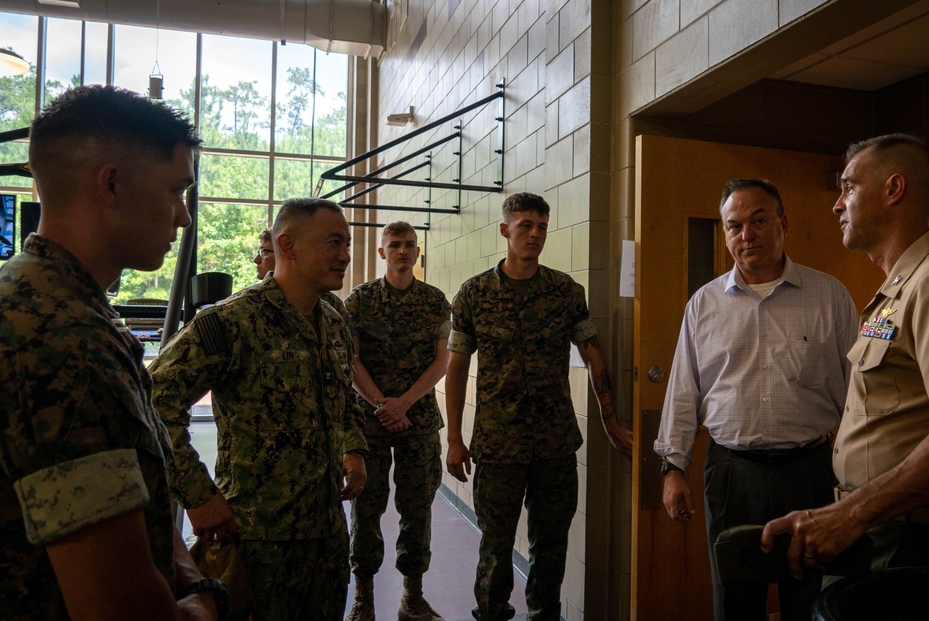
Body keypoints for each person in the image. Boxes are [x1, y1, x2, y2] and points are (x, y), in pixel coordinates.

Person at [0, 85, 220, 620]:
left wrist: (188, 580)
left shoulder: (44, 298)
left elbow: (129, 495)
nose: (183, 218)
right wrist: (212, 602)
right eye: (175, 191)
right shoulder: (63, 340)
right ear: (113, 185)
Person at [762, 134, 929, 579]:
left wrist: (852, 514)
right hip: (875, 524)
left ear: (894, 189)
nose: (837, 205)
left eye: (849, 187)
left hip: (904, 535)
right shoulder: (899, 289)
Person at [150, 198, 368, 621]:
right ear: (288, 245)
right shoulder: (232, 321)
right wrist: (197, 495)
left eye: (347, 244)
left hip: (326, 538)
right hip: (257, 540)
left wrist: (354, 448)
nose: (344, 256)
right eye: (334, 243)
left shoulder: (334, 321)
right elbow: (154, 401)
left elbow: (343, 398)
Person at [654, 179, 857, 621]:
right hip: (732, 474)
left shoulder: (830, 296)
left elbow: (860, 394)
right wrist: (673, 468)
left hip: (810, 473)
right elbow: (683, 391)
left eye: (758, 221)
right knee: (735, 602)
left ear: (782, 224)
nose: (746, 235)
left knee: (809, 599)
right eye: (734, 226)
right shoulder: (703, 305)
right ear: (726, 234)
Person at [445, 192, 633, 621]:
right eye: (526, 225)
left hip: (555, 444)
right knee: (495, 546)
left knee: (551, 547)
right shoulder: (473, 294)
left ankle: (543, 615)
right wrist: (455, 438)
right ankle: (491, 612)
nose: (535, 234)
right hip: (497, 445)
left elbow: (593, 352)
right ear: (504, 229)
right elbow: (456, 369)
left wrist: (609, 419)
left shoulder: (565, 291)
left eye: (542, 226)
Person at [344, 221, 451, 621]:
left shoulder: (435, 301)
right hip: (370, 421)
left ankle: (412, 597)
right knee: (366, 508)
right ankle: (364, 599)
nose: (403, 251)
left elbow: (442, 361)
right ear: (381, 253)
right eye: (395, 245)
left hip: (418, 420)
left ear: (418, 252)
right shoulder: (360, 300)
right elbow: (351, 360)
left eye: (409, 245)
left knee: (417, 508)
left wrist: (404, 403)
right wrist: (381, 404)